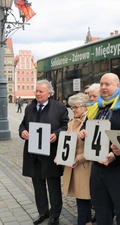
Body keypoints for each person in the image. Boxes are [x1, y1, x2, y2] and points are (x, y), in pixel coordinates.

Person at [78, 73, 120, 225]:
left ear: (118, 86)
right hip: (98, 165)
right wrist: (83, 132)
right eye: (101, 84)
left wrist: (115, 154)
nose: (104, 87)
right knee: (100, 208)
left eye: (108, 84)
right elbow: (87, 124)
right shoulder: (98, 105)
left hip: (118, 167)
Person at [19, 79, 69, 225]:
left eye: (41, 91)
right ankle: (43, 212)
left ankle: (55, 215)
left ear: (49, 93)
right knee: (38, 185)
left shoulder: (59, 107)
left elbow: (66, 126)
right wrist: (22, 132)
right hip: (33, 154)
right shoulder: (30, 107)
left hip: (50, 154)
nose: (38, 94)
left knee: (53, 185)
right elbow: (23, 124)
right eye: (36, 91)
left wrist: (57, 134)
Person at [61, 93, 93, 225]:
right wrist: (61, 156)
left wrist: (78, 158)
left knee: (84, 199)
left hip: (84, 165)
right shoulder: (72, 121)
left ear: (85, 107)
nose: (73, 110)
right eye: (72, 107)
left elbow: (93, 148)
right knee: (80, 200)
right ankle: (87, 221)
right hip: (72, 165)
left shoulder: (89, 121)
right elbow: (66, 142)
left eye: (76, 107)